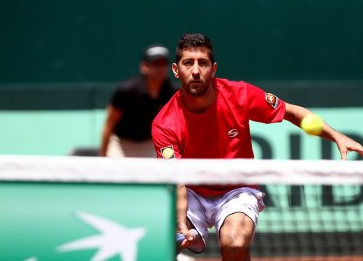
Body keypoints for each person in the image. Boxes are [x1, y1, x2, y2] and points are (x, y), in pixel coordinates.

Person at [151, 33, 363, 260]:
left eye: (202, 63)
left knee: (234, 245)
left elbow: (291, 112)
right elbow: (178, 180)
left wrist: (336, 136)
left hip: (237, 190)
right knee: (165, 246)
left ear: (213, 69)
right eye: (188, 63)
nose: (195, 70)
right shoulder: (164, 123)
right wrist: (181, 225)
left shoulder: (239, 95)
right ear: (175, 70)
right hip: (191, 191)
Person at [100, 44, 177, 157]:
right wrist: (102, 156)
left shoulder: (173, 92)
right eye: (155, 63)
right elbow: (109, 124)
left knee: (165, 169)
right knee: (115, 173)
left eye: (163, 63)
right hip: (122, 144)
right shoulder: (126, 91)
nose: (160, 68)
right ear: (144, 66)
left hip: (151, 144)